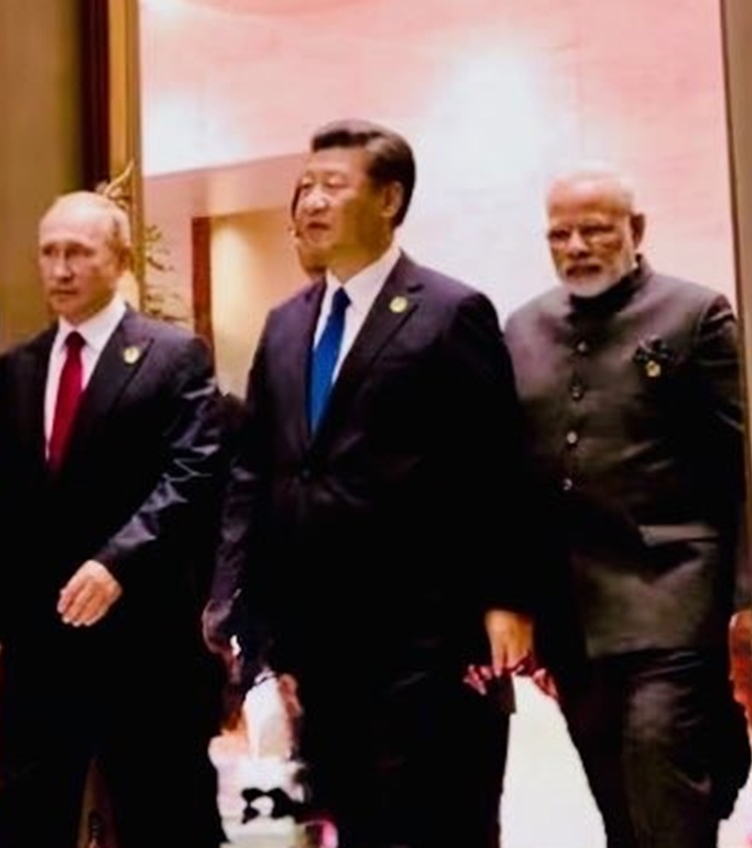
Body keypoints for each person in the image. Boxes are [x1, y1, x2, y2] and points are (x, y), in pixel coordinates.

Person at [204, 118, 541, 848]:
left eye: (333, 185)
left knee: (436, 817)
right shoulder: (286, 324)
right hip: (316, 633)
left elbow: (496, 464)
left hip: (425, 632)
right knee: (348, 815)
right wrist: (232, 593)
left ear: (389, 200)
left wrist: (505, 597)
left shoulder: (450, 313)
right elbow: (255, 469)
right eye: (303, 187)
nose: (310, 203)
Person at [503, 167, 752, 848]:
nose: (576, 245)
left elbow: (743, 464)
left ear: (635, 231)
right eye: (560, 234)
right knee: (615, 796)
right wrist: (513, 597)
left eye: (595, 230)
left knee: (663, 775)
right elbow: (512, 477)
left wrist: (749, 597)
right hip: (572, 611)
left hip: (673, 594)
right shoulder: (522, 328)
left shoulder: (694, 314)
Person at [0, 190, 226, 848]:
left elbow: (193, 474)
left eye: (78, 253)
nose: (60, 269)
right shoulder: (16, 370)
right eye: (49, 253)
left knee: (162, 814)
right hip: (40, 647)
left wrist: (117, 563)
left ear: (117, 260)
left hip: (142, 643)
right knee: (29, 819)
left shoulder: (174, 356)